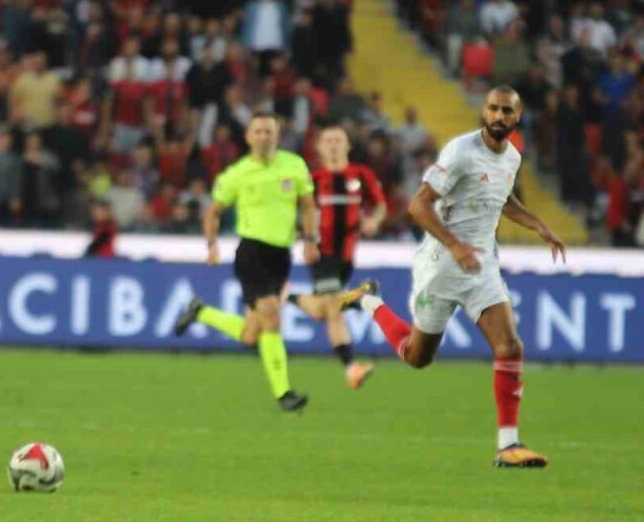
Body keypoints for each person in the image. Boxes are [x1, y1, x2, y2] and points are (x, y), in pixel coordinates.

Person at [346, 87, 566, 468]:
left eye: (507, 111)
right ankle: (369, 300)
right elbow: (418, 205)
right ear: (484, 111)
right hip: (442, 265)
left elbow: (501, 196)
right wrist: (454, 245)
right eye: (493, 109)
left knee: (510, 347)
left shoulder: (512, 157)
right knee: (417, 357)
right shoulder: (461, 152)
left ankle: (509, 445)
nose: (499, 116)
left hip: (481, 266)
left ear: (517, 117)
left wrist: (537, 224)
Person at [173, 113, 317, 412]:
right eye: (258, 131)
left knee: (252, 334)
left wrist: (310, 240)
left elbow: (308, 206)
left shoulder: (295, 165)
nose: (263, 136)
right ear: (249, 137)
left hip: (281, 255)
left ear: (277, 135)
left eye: (268, 131)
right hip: (252, 252)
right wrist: (211, 245)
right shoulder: (236, 173)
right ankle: (284, 393)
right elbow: (212, 212)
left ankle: (200, 312)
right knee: (272, 314)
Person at [285, 125, 386, 389]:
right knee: (332, 309)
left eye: (338, 140)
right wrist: (304, 238)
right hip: (321, 252)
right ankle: (352, 368)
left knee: (323, 310)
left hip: (347, 256)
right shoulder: (313, 179)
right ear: (319, 147)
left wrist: (374, 220)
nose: (333, 145)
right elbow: (295, 212)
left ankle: (291, 297)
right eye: (327, 140)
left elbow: (379, 205)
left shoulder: (361, 175)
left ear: (348, 146)